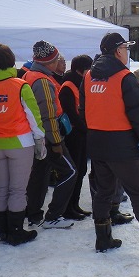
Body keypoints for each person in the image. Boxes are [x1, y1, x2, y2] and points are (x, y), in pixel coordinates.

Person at [80, 32, 139, 252]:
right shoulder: (125, 77)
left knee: (103, 191)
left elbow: (83, 109)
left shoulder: (89, 76)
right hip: (122, 143)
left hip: (97, 141)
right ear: (118, 51)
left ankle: (103, 238)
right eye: (125, 48)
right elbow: (137, 115)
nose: (127, 52)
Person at [0, 43, 46, 245]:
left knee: (1, 189)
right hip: (21, 143)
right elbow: (34, 116)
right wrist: (39, 139)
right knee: (17, 190)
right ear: (11, 60)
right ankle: (16, 232)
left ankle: (3, 232)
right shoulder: (20, 86)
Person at [23, 41, 78, 229]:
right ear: (49, 62)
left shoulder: (30, 75)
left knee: (40, 174)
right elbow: (48, 115)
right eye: (56, 59)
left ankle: (33, 214)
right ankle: (53, 215)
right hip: (48, 138)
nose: (59, 62)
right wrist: (56, 142)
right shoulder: (43, 81)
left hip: (37, 136)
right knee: (70, 172)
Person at [59, 54, 94, 219]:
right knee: (75, 171)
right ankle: (67, 208)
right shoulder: (68, 86)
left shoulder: (82, 83)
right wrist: (85, 128)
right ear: (81, 70)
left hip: (82, 133)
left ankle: (75, 204)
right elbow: (71, 113)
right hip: (73, 134)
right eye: (88, 68)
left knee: (81, 170)